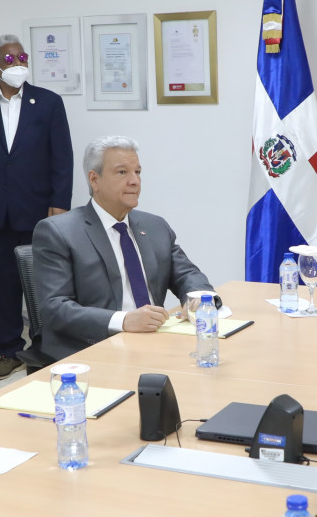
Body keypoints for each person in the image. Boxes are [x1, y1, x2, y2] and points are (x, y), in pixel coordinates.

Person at [32, 135, 215, 362]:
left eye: (137, 172)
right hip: (92, 349)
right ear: (94, 180)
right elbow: (55, 308)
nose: (134, 181)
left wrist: (196, 299)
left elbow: (187, 274)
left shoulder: (155, 226)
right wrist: (124, 320)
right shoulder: (58, 231)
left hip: (154, 342)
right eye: (122, 172)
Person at [0, 34, 73, 380]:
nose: (18, 64)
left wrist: (60, 203)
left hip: (41, 210)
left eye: (22, 58)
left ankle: (45, 347)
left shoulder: (49, 102)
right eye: (10, 60)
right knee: (5, 285)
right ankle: (9, 351)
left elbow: (63, 158)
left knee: (45, 285)